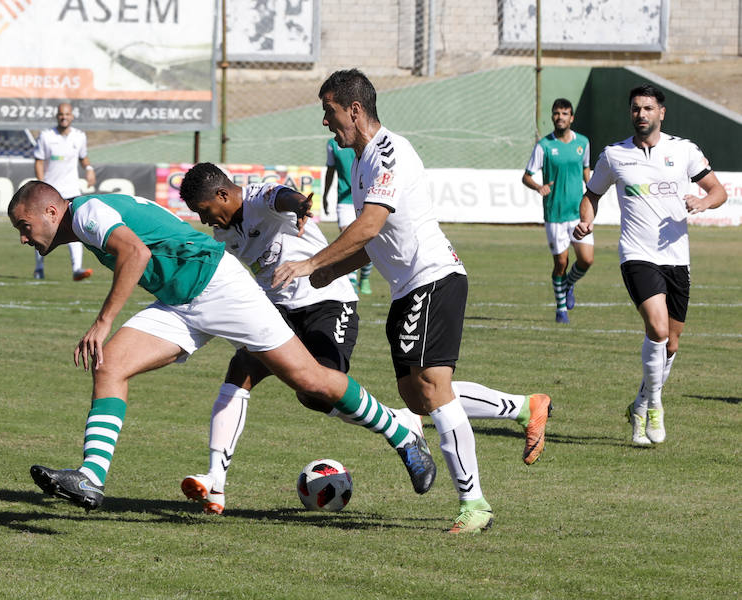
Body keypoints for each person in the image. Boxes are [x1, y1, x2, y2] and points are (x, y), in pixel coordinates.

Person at [7, 180, 436, 512]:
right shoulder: (87, 214)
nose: (24, 239)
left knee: (313, 382)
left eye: (24, 227)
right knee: (110, 365)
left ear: (50, 210)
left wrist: (103, 322)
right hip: (179, 302)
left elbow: (133, 253)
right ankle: (90, 478)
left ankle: (401, 433)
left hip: (219, 288)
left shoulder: (85, 213)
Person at [272, 69, 552, 533]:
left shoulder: (389, 154)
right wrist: (328, 271)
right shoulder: (360, 162)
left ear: (354, 110)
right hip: (409, 288)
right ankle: (524, 407)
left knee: (434, 392)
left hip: (434, 278)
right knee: (416, 397)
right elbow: (372, 244)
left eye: (329, 111)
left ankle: (474, 503)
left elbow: (369, 226)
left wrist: (308, 264)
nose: (326, 123)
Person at [176, 162, 430, 514]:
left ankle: (401, 424)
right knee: (242, 367)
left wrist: (299, 204)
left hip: (327, 302)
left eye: (204, 212)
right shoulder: (225, 234)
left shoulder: (257, 197)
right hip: (278, 313)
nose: (206, 221)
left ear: (222, 195)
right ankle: (215, 479)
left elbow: (281, 197)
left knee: (318, 393)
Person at [574, 84, 726, 446]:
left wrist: (703, 203)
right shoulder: (614, 155)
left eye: (647, 108)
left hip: (677, 258)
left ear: (661, 112)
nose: (640, 114)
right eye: (635, 109)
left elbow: (717, 190)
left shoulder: (683, 150)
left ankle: (639, 403)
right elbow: (591, 195)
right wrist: (586, 221)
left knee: (671, 343)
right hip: (637, 255)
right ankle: (656, 405)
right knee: (657, 329)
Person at [521, 98, 593, 324]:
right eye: (556, 113)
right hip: (554, 213)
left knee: (586, 260)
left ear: (571, 118)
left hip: (578, 212)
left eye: (564, 113)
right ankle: (561, 309)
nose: (560, 117)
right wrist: (538, 187)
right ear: (552, 117)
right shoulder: (544, 146)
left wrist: (593, 195)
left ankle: (569, 283)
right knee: (561, 262)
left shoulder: (583, 143)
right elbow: (527, 176)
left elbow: (586, 172)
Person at [32, 102, 94, 281]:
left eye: (67, 114)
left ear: (72, 116)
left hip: (71, 190)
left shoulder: (79, 136)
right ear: (56, 116)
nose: (64, 117)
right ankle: (39, 268)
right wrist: (40, 185)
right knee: (42, 231)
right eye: (61, 114)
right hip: (50, 192)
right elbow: (39, 161)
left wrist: (89, 169)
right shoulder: (46, 136)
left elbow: (83, 157)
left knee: (75, 229)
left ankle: (77, 269)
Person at [324, 137, 373, 294]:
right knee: (348, 241)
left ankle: (364, 279)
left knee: (368, 242)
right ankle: (351, 284)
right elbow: (331, 171)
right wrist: (325, 195)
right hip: (344, 201)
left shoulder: (365, 140)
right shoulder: (332, 144)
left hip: (365, 199)